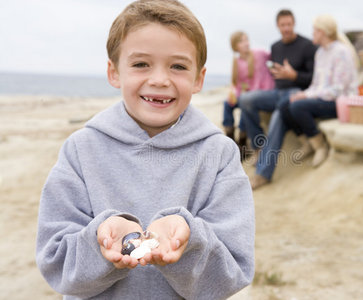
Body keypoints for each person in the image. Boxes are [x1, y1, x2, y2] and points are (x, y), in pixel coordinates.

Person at [35, 1, 255, 299]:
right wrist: (99, 244)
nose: (160, 80)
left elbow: (233, 273)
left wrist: (187, 241)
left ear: (199, 79)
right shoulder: (80, 150)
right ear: (114, 72)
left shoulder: (219, 155)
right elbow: (55, 264)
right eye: (141, 64)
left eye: (178, 66)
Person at [251, 14, 359, 189]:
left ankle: (319, 146)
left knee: (298, 105)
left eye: (315, 30)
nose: (312, 33)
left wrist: (307, 96)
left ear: (323, 32)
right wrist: (305, 94)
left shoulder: (341, 52)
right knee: (286, 103)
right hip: (323, 96)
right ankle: (309, 142)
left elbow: (338, 89)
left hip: (340, 101)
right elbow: (316, 85)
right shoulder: (321, 53)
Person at [239, 9, 317, 161]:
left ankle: (303, 142)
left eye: (289, 24)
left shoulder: (307, 45)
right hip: (276, 92)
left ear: (294, 24)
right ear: (277, 26)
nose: (286, 28)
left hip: (296, 91)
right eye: (283, 25)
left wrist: (294, 75)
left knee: (278, 114)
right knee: (245, 99)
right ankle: (258, 147)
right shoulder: (275, 47)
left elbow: (313, 78)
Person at [222, 31, 274, 158]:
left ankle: (243, 141)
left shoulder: (259, 54)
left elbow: (276, 56)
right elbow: (237, 84)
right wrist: (233, 92)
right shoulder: (237, 62)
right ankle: (230, 140)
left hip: (263, 92)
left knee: (246, 105)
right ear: (235, 46)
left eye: (246, 40)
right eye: (241, 41)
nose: (246, 43)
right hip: (247, 95)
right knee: (227, 104)